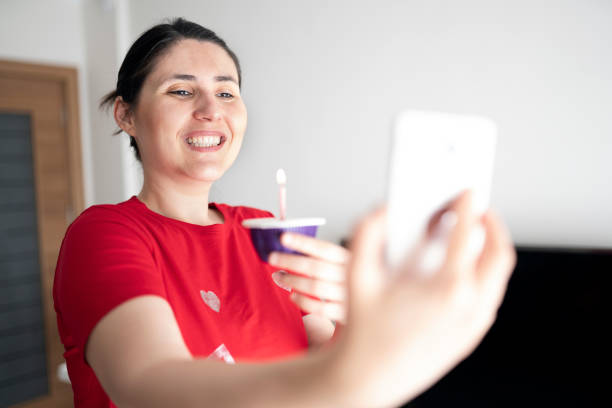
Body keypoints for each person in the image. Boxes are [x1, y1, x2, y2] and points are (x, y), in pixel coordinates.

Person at [53, 18, 516, 408]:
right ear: (126, 115)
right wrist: (369, 374)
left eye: (227, 93)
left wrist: (360, 320)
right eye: (180, 91)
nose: (211, 110)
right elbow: (149, 384)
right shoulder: (104, 233)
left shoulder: (264, 228)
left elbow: (318, 349)